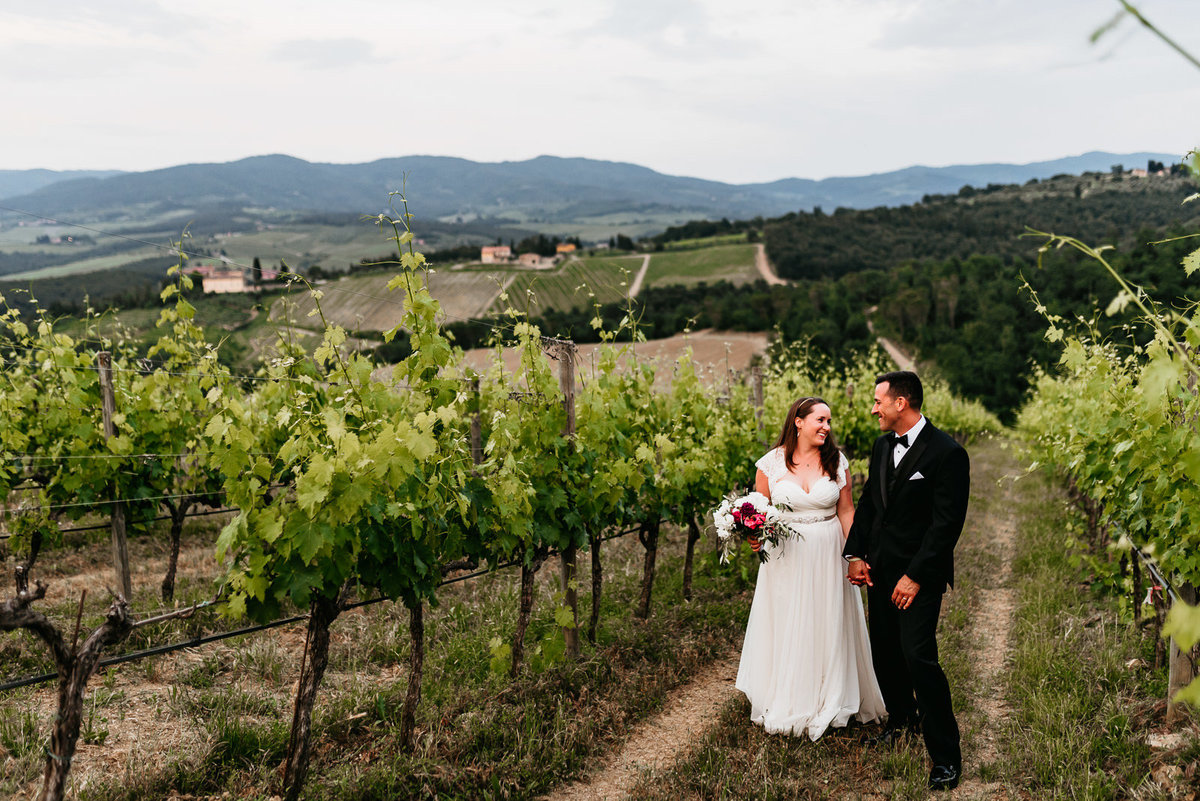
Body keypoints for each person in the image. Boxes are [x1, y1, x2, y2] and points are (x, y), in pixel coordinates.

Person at [843, 371, 970, 792]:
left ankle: (946, 756)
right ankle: (901, 723)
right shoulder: (882, 447)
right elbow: (869, 505)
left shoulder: (948, 453)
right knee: (885, 653)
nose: (873, 408)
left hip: (918, 575)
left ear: (902, 403)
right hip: (879, 571)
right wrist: (857, 554)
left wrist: (915, 576)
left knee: (919, 658)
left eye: (878, 400)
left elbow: (946, 525)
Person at [735, 396, 886, 740]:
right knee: (789, 620)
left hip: (829, 549)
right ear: (798, 422)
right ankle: (789, 695)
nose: (826, 427)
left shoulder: (836, 461)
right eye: (820, 420)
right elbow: (759, 510)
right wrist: (753, 536)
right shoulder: (771, 464)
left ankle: (831, 696)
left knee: (828, 618)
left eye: (829, 421)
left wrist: (855, 555)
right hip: (785, 554)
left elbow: (846, 511)